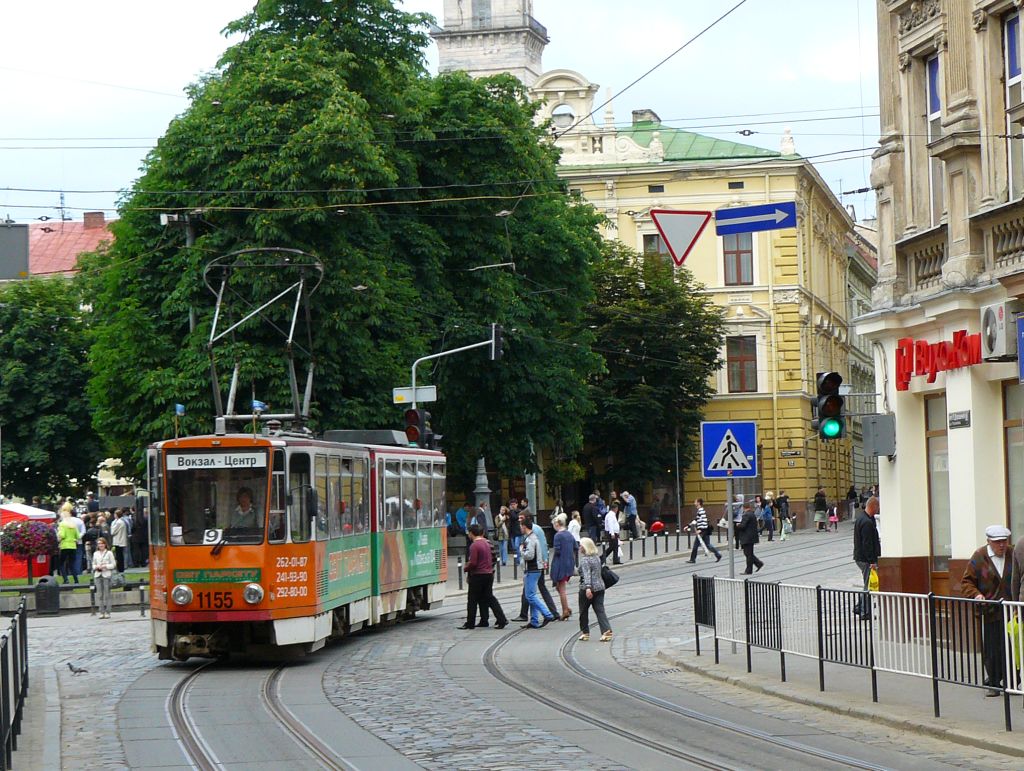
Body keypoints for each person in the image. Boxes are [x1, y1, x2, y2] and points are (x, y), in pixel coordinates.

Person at [961, 525, 1014, 696]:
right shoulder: (979, 556)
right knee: (992, 648)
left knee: (1013, 648)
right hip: (990, 611)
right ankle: (993, 682)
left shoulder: (1013, 554)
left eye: (1004, 541)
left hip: (1011, 611)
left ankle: (1012, 681)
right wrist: (976, 595)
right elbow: (967, 582)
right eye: (997, 542)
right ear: (989, 541)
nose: (1001, 545)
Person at [458, 524, 508, 630]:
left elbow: (473, 562)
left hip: (478, 575)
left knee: (472, 600)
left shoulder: (474, 545)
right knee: (489, 598)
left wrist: (466, 567)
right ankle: (501, 619)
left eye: (469, 533)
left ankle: (470, 622)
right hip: (489, 574)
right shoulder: (487, 543)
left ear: (471, 533)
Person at [518, 517, 555, 629]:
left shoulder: (530, 539)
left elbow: (529, 555)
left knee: (530, 596)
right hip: (535, 569)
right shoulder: (533, 537)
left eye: (521, 525)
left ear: (524, 526)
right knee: (532, 595)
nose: (520, 528)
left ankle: (547, 614)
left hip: (532, 569)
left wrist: (521, 551)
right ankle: (534, 620)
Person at [577, 537, 613, 642]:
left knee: (583, 611)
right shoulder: (596, 557)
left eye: (581, 545)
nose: (579, 547)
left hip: (587, 589)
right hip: (600, 587)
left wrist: (588, 588)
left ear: (585, 547)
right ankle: (606, 631)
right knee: (600, 610)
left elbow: (587, 575)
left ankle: (585, 633)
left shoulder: (585, 560)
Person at [852, 496, 881, 620]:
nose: (878, 509)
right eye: (878, 506)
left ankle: (859, 607)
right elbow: (867, 544)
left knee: (867, 583)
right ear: (873, 506)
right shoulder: (867, 523)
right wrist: (872, 561)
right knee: (868, 585)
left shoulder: (863, 519)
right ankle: (865, 612)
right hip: (865, 559)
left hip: (860, 557)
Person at [549, 514, 577, 620]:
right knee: (560, 587)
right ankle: (566, 607)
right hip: (569, 563)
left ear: (557, 524)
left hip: (561, 565)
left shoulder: (558, 536)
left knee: (561, 588)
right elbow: (575, 547)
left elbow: (557, 551)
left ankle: (565, 610)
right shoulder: (569, 534)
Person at [686, 498, 721, 564]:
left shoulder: (701, 511)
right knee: (708, 545)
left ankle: (692, 559)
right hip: (704, 531)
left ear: (698, 503)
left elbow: (704, 522)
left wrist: (700, 530)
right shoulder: (700, 510)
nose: (694, 503)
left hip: (702, 531)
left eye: (695, 502)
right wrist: (688, 526)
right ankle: (718, 555)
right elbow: (696, 520)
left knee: (696, 545)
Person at [735, 500, 763, 574]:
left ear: (744, 508)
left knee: (748, 554)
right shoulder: (752, 514)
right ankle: (758, 563)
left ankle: (749, 570)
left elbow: (743, 526)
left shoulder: (746, 515)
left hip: (747, 537)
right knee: (748, 554)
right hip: (751, 537)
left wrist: (738, 525)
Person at [92, 537, 117, 619]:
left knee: (107, 594)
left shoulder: (109, 553)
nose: (100, 545)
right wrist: (97, 567)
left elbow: (113, 564)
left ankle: (108, 611)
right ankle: (101, 611)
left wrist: (105, 566)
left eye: (102, 543)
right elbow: (93, 564)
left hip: (106, 575)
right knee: (100, 594)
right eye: (99, 544)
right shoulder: (95, 553)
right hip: (98, 575)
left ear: (105, 544)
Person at [57, 507, 81, 584]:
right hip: (73, 546)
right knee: (72, 564)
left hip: (65, 546)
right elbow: (78, 536)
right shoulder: (73, 525)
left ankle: (66, 579)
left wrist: (58, 536)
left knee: (61, 563)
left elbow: (62, 535)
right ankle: (76, 580)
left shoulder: (62, 524)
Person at [603, 501, 622, 565]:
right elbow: (610, 525)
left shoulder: (611, 515)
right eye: (617, 509)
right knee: (612, 547)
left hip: (613, 532)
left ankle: (615, 560)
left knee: (614, 547)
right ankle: (602, 558)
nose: (617, 510)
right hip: (611, 533)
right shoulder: (611, 515)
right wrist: (612, 533)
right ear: (615, 509)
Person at [110, 510, 129, 574]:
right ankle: (121, 568)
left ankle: (120, 568)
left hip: (118, 541)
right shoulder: (122, 521)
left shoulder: (118, 522)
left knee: (119, 555)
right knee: (120, 555)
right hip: (120, 540)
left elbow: (112, 532)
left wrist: (112, 525)